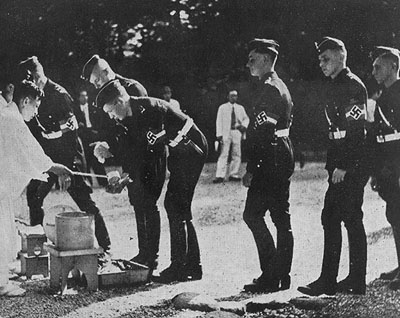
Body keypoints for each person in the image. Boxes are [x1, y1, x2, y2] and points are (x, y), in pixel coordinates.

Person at [95, 79, 208, 283]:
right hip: (178, 150)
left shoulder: (150, 110)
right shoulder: (129, 116)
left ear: (120, 101)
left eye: (111, 111)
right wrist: (124, 175)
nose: (111, 116)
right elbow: (134, 150)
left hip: (192, 148)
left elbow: (151, 151)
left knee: (175, 205)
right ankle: (192, 266)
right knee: (179, 207)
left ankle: (180, 267)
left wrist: (128, 176)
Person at [18, 56, 111, 256]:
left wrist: (66, 170)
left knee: (84, 201)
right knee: (34, 195)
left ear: (34, 75)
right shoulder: (32, 95)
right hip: (48, 157)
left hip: (69, 157)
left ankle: (106, 246)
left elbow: (71, 135)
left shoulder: (59, 94)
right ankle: (38, 246)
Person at [298, 37, 369, 296]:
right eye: (319, 60)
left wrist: (345, 166)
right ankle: (350, 280)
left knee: (342, 218)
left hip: (349, 164)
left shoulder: (352, 86)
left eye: (326, 59)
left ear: (341, 57)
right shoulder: (334, 85)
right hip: (339, 162)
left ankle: (338, 280)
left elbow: (356, 131)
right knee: (341, 218)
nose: (321, 64)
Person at [81, 55, 166, 269]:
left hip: (148, 156)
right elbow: (113, 129)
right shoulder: (106, 95)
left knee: (148, 204)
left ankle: (152, 258)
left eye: (97, 81)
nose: (97, 86)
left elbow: (140, 132)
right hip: (132, 158)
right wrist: (108, 150)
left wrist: (118, 153)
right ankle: (144, 253)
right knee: (137, 203)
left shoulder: (131, 89)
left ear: (105, 72)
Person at [0, 80, 71, 297]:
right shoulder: (10, 117)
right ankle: (1, 283)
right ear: (26, 100)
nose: (36, 112)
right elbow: (29, 150)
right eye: (36, 106)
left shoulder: (5, 111)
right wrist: (54, 167)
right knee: (2, 232)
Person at [241, 38, 295, 293]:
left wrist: (252, 168)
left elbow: (263, 134)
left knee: (252, 215)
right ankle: (281, 275)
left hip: (271, 157)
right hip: (280, 154)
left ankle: (272, 275)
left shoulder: (270, 89)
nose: (248, 64)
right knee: (281, 219)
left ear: (265, 59)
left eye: (253, 59)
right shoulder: (278, 86)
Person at [368, 46, 400, 290]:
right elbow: (380, 138)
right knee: (394, 214)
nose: (374, 70)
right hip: (388, 167)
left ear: (394, 67)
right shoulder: (384, 95)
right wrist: (376, 171)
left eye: (379, 66)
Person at [72, 89, 109, 187]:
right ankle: (88, 183)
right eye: (82, 96)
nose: (84, 98)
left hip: (93, 136)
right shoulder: (75, 110)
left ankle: (104, 182)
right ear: (78, 98)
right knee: (85, 161)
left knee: (97, 158)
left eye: (86, 95)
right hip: (83, 137)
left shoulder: (93, 108)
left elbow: (100, 121)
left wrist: (97, 132)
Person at [213, 90, 249, 183]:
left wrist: (243, 126)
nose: (234, 98)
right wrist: (219, 134)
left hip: (236, 132)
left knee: (236, 153)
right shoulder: (222, 107)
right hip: (226, 132)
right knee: (223, 153)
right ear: (228, 97)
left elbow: (246, 118)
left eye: (235, 96)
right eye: (232, 96)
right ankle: (220, 175)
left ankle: (233, 174)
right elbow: (219, 121)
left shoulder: (240, 108)